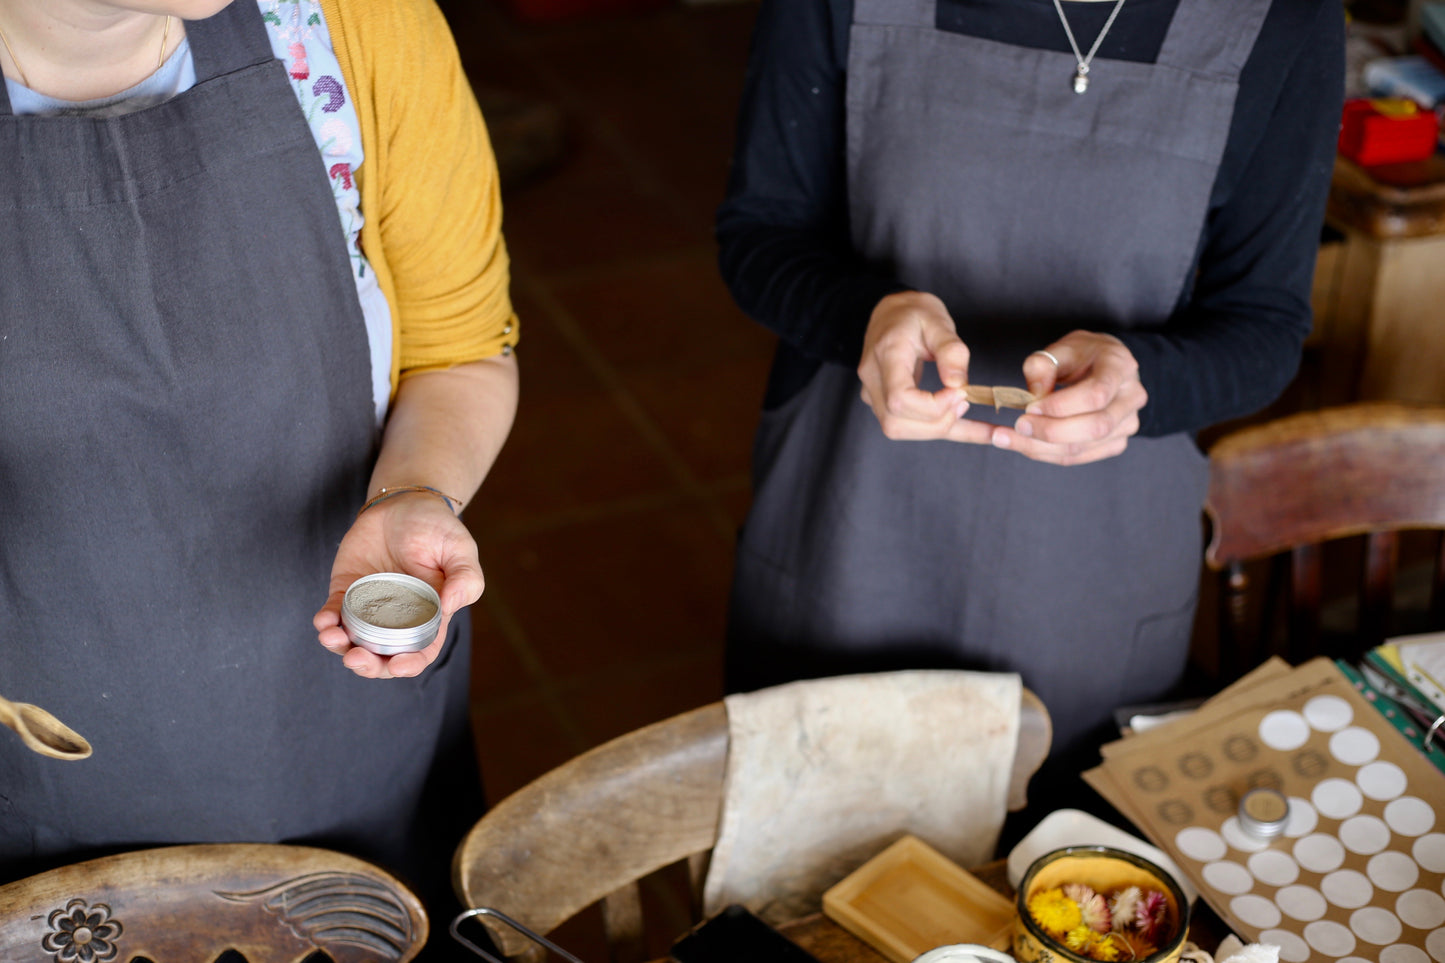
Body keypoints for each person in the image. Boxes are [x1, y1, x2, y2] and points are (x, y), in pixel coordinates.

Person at [0, 0, 515, 949]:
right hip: (46, 744)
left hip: (339, 709)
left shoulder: (359, 28)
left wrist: (415, 488)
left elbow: (461, 348)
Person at [717, 0, 1344, 770]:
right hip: (849, 521)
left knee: (1066, 832)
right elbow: (758, 231)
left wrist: (1144, 379)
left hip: (1094, 564)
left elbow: (1264, 325)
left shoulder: (1284, 19)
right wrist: (864, 317)